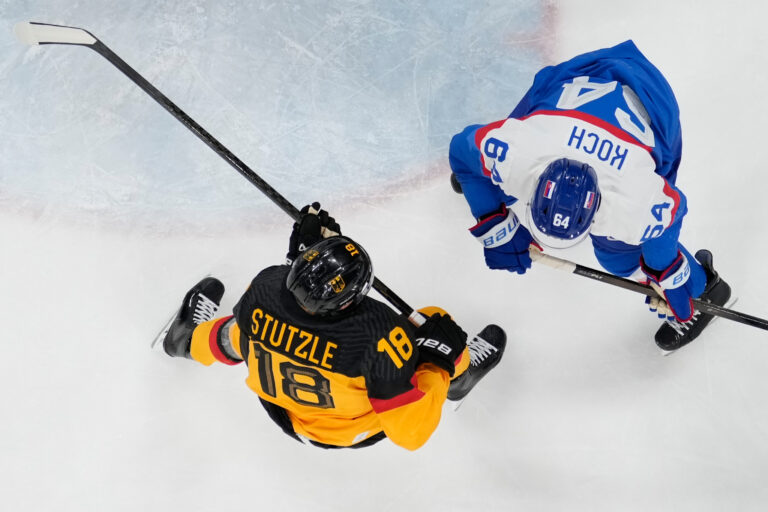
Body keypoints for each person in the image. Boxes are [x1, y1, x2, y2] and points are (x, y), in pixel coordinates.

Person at [448, 40, 731, 352]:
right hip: (581, 73)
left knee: (618, 256)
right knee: (487, 176)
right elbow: (462, 150)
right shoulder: (517, 152)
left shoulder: (631, 200)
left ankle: (706, 288)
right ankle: (487, 180)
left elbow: (672, 208)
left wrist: (667, 270)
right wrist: (493, 220)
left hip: (652, 100)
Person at [159, 203, 506, 450]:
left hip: (283, 411)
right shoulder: (381, 336)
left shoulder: (265, 284)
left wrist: (306, 261)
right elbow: (411, 436)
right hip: (350, 430)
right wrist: (439, 364)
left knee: (244, 331)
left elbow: (288, 301)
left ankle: (185, 341)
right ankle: (459, 379)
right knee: (430, 325)